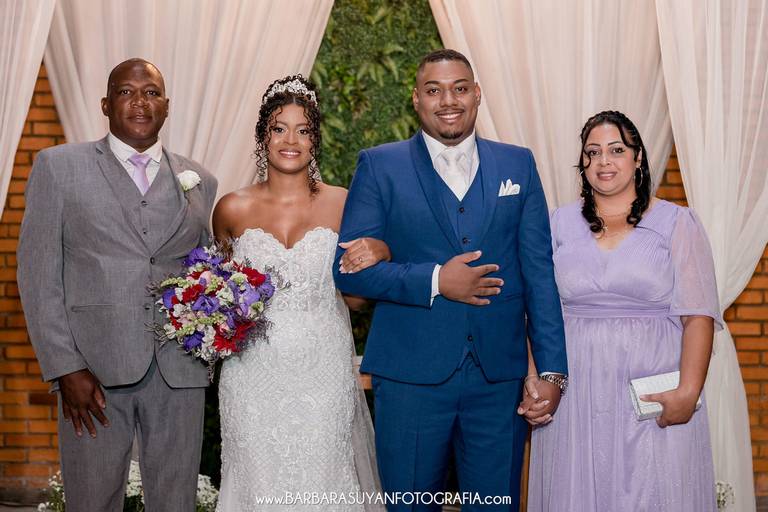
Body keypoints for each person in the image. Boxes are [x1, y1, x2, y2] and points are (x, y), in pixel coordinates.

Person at [333, 49, 568, 510]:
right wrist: (437, 280)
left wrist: (552, 371)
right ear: (416, 98)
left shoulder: (517, 165)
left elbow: (540, 274)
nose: (448, 100)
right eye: (434, 90)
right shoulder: (380, 166)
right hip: (409, 377)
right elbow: (349, 273)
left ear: (476, 94)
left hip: (498, 379)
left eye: (459, 88)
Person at [17, 59, 218, 510]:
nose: (140, 101)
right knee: (92, 500)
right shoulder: (58, 168)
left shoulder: (199, 180)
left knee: (176, 502)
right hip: (92, 373)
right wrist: (65, 367)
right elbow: (37, 274)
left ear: (167, 105)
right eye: (126, 92)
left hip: (179, 370)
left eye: (151, 92)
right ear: (106, 105)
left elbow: (205, 271)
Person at [525, 110, 720, 511]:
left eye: (616, 150)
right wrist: (535, 379)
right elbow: (538, 311)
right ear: (583, 162)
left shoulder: (677, 222)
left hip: (650, 393)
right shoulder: (558, 223)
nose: (604, 161)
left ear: (638, 158)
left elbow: (698, 315)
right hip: (575, 391)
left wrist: (688, 390)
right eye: (593, 152)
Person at [212, 75, 385, 511]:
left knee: (324, 479)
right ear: (262, 136)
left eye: (303, 130)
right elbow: (217, 295)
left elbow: (357, 298)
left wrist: (379, 253)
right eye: (279, 128)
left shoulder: (344, 203)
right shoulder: (231, 209)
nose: (291, 140)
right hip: (251, 375)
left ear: (315, 140)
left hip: (324, 371)